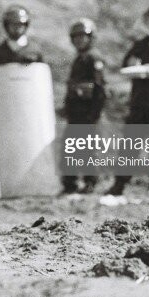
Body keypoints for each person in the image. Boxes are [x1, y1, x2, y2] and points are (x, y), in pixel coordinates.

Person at [103, 7, 149, 203]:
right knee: (130, 145)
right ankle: (119, 186)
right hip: (139, 102)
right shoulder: (141, 45)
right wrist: (136, 66)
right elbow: (126, 65)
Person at [61, 18, 106, 195]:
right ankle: (70, 184)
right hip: (76, 113)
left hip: (88, 113)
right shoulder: (80, 59)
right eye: (77, 37)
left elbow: (99, 89)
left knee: (88, 149)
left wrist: (94, 115)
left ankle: (90, 182)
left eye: (84, 37)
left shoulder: (93, 58)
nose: (80, 40)